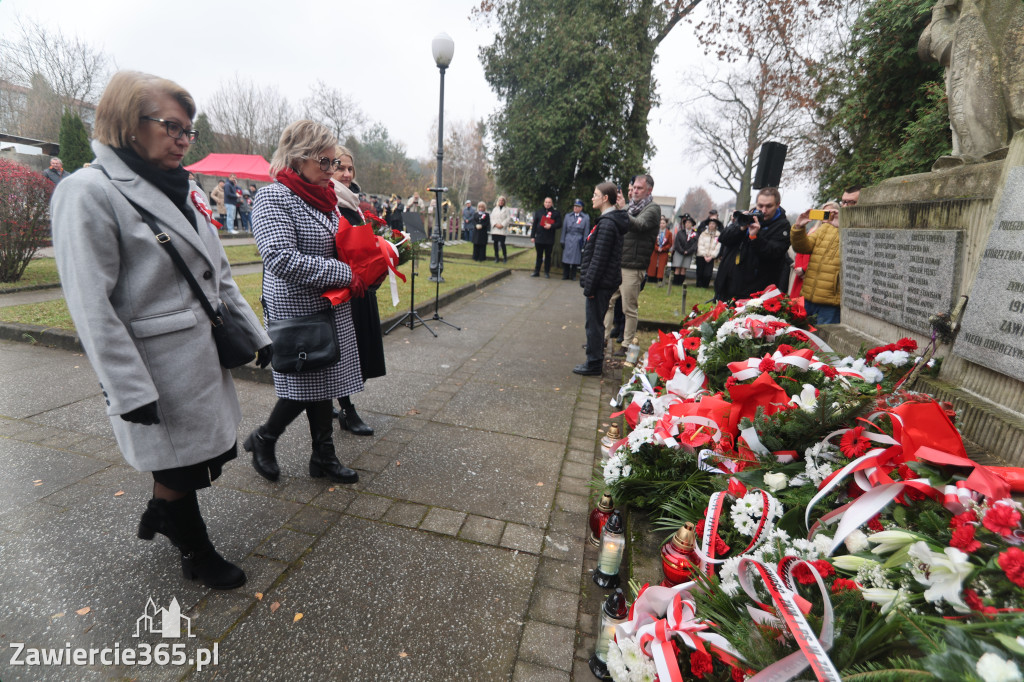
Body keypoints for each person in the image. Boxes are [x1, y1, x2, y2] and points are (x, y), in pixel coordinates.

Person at [50, 70, 271, 590]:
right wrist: (126, 388)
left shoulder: (184, 187)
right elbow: (90, 305)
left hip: (199, 357)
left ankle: (160, 514)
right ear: (128, 123)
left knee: (200, 458)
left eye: (188, 130)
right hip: (154, 367)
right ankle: (195, 550)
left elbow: (216, 275)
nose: (183, 140)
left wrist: (257, 336)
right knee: (180, 466)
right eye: (171, 126)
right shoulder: (88, 192)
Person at [245, 120, 365, 488]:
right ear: (298, 158)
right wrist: (345, 272)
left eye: (334, 163)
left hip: (329, 306)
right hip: (297, 308)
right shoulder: (273, 197)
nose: (331, 171)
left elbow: (335, 242)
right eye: (324, 163)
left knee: (323, 378)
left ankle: (322, 455)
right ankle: (265, 439)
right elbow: (281, 258)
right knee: (304, 384)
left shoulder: (324, 197)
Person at [329, 146, 382, 436]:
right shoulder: (329, 200)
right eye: (340, 167)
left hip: (358, 286)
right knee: (343, 352)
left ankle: (334, 406)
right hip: (342, 287)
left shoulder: (351, 201)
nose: (347, 174)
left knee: (353, 351)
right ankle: (347, 410)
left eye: (350, 169)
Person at [574, 182, 628, 376]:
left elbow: (599, 259)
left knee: (594, 324)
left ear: (605, 198)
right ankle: (594, 359)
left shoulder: (607, 223)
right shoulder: (609, 221)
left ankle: (594, 363)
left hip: (600, 284)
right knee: (596, 322)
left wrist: (589, 287)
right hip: (603, 282)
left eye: (595, 194)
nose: (592, 198)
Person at [604, 174, 659, 355]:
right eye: (634, 187)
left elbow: (639, 225)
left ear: (649, 190)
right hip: (618, 263)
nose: (635, 191)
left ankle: (626, 345)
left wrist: (621, 211)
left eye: (639, 188)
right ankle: (603, 339)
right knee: (608, 302)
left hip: (634, 266)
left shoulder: (653, 209)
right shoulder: (629, 207)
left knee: (629, 308)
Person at [714, 187, 791, 301]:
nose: (763, 210)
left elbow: (774, 253)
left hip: (754, 291)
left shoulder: (782, 226)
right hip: (728, 284)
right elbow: (724, 238)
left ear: (778, 204)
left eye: (769, 206)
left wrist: (755, 237)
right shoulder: (747, 217)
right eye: (760, 206)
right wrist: (740, 226)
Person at [791, 204, 842, 323]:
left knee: (821, 340)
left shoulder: (852, 229)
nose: (846, 205)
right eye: (844, 202)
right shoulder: (825, 228)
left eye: (850, 202)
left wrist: (843, 228)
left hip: (830, 302)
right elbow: (803, 247)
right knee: (802, 336)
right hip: (809, 297)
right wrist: (798, 228)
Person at [790, 201, 838, 297]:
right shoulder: (813, 231)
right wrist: (798, 268)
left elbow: (825, 257)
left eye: (829, 213)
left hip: (816, 276)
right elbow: (801, 251)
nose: (826, 215)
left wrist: (804, 269)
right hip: (803, 276)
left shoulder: (838, 232)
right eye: (824, 212)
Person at [530, 197, 562, 278]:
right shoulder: (539, 212)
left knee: (548, 256)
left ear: (552, 203)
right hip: (539, 238)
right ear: (544, 203)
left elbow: (559, 224)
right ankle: (536, 271)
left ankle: (547, 272)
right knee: (539, 256)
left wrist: (551, 226)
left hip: (549, 239)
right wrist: (532, 236)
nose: (547, 204)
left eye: (549, 202)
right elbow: (534, 225)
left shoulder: (555, 213)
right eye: (546, 202)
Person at [561, 199, 589, 280]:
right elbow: (564, 230)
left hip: (578, 239)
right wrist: (562, 240)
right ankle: (565, 274)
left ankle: (573, 275)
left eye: (578, 207)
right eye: (575, 206)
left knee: (575, 258)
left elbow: (586, 231)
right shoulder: (568, 216)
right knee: (566, 257)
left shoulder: (585, 218)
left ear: (581, 208)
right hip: (568, 237)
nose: (576, 208)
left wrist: (585, 242)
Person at [647, 214, 674, 285]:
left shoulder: (669, 233)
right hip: (655, 252)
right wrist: (656, 248)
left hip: (663, 252)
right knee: (653, 265)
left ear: (666, 224)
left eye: (663, 223)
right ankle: (651, 278)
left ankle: (660, 278)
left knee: (661, 266)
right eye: (660, 223)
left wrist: (663, 248)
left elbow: (670, 243)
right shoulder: (655, 232)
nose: (662, 225)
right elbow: (652, 241)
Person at [695, 218, 722, 288]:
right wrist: (704, 255)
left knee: (708, 273)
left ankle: (705, 285)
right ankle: (698, 285)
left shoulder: (718, 235)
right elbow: (700, 244)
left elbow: (718, 246)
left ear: (716, 225)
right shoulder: (703, 234)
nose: (711, 225)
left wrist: (712, 256)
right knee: (700, 271)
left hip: (711, 257)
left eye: (713, 224)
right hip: (702, 256)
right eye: (710, 224)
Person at [671, 216, 699, 283]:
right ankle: (675, 282)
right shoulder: (680, 232)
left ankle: (681, 282)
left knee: (684, 268)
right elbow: (677, 243)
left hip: (688, 253)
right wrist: (682, 251)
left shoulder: (695, 234)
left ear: (692, 224)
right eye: (686, 223)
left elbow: (695, 245)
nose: (687, 224)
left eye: (689, 223)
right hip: (679, 252)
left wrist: (688, 251)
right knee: (677, 267)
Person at [490, 195, 511, 263]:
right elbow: (491, 218)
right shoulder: (495, 209)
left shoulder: (507, 209)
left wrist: (502, 225)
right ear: (498, 201)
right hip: (495, 229)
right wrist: (495, 224)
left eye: (502, 200)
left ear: (504, 202)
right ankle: (496, 257)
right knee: (495, 243)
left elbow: (508, 218)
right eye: (500, 200)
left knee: (502, 243)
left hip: (502, 229)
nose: (501, 202)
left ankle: (505, 257)